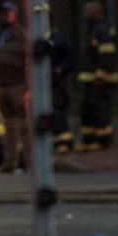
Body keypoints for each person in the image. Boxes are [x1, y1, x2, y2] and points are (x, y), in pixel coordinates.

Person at [75, 1, 118, 152]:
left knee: (100, 110)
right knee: (87, 110)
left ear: (97, 12)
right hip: (90, 80)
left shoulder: (102, 30)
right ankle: (88, 140)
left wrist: (100, 76)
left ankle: (102, 141)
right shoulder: (92, 29)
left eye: (88, 11)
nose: (85, 14)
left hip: (100, 81)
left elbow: (106, 55)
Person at [0, 1, 27, 172]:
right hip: (1, 84)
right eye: (2, 13)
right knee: (9, 126)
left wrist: (27, 88)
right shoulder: (0, 33)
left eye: (8, 12)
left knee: (25, 126)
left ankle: (31, 163)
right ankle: (9, 163)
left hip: (17, 85)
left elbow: (28, 60)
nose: (4, 15)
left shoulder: (20, 33)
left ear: (15, 13)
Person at [48, 25, 74, 154]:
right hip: (46, 83)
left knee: (57, 112)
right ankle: (54, 142)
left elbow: (69, 58)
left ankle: (64, 143)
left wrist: (60, 69)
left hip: (56, 83)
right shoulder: (42, 37)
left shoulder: (58, 38)